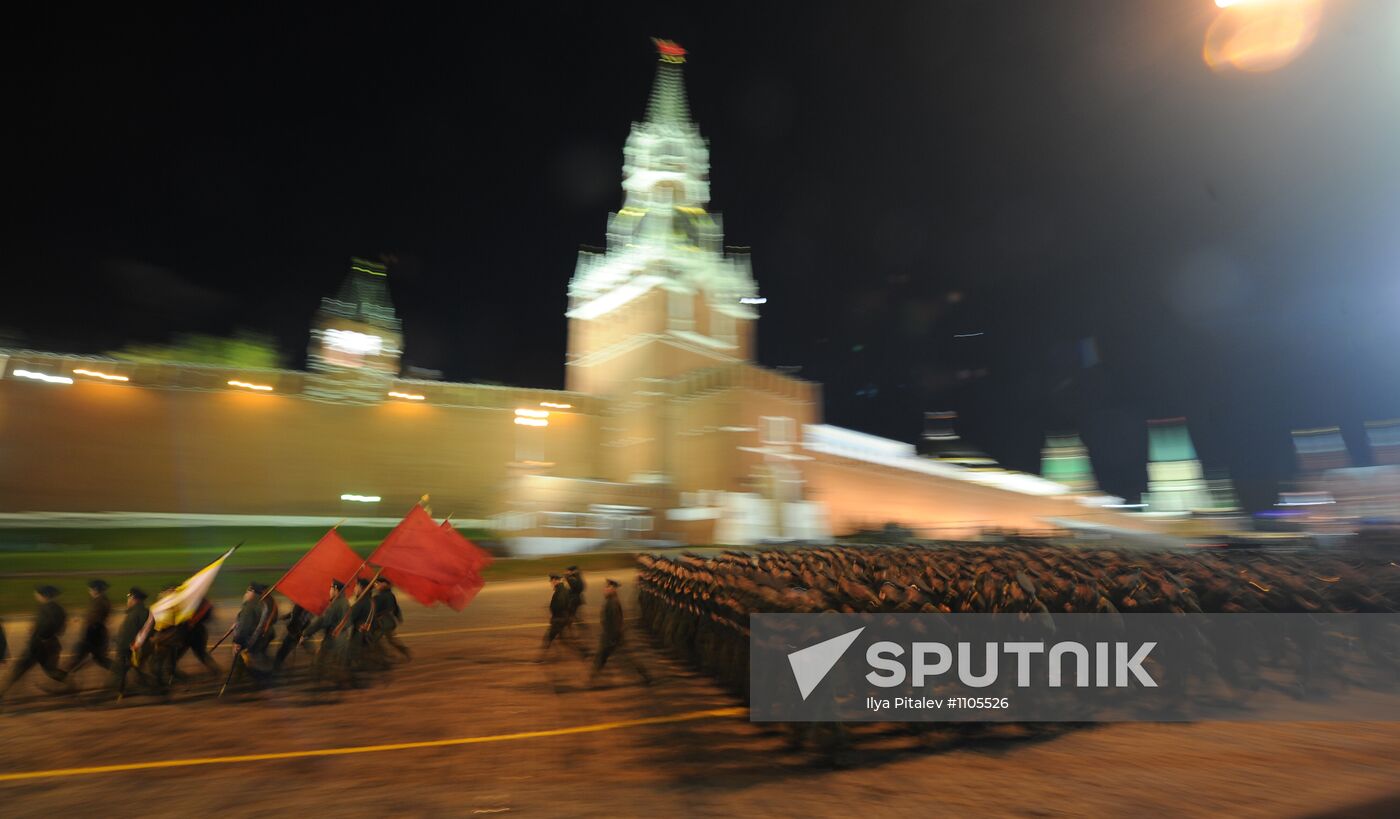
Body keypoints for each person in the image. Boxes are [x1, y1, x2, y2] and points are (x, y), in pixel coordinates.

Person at [0, 585, 68, 698]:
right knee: (50, 671)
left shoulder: (45, 609)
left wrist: (39, 634)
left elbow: (45, 626)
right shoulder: (60, 609)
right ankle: (68, 679)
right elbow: (61, 630)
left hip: (38, 645)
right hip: (51, 645)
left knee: (18, 668)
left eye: (37, 594)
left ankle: (2, 692)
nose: (36, 595)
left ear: (45, 596)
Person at [589, 579, 651, 687]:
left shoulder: (613, 603)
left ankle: (646, 676)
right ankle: (592, 678)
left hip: (613, 637)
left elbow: (616, 622)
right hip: (611, 636)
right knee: (602, 657)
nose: (604, 589)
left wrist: (612, 639)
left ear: (613, 589)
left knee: (624, 657)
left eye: (607, 587)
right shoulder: (611, 600)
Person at [64, 579, 113, 680]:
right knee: (99, 659)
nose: (89, 591)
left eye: (90, 589)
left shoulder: (100, 602)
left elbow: (94, 617)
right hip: (95, 633)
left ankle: (63, 678)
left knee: (79, 655)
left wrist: (84, 620)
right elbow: (93, 615)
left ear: (96, 590)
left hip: (94, 634)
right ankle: (119, 670)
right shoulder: (99, 600)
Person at [110, 587, 150, 698]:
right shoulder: (133, 612)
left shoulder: (141, 612)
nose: (128, 601)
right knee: (129, 668)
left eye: (130, 598)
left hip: (131, 647)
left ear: (136, 599)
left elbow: (144, 631)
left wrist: (134, 644)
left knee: (122, 669)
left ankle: (120, 692)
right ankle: (122, 691)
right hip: (126, 645)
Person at [370, 578, 409, 662]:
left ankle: (388, 657)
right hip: (387, 622)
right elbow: (396, 608)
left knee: (376, 640)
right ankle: (404, 652)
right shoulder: (387, 595)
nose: (376, 585)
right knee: (390, 640)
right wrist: (398, 617)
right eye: (376, 583)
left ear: (385, 584)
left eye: (378, 583)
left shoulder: (383, 596)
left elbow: (376, 609)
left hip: (384, 623)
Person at [275, 603, 312, 670]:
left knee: (285, 647)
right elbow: (296, 614)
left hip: (295, 630)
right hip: (297, 630)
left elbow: (296, 615)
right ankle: (278, 662)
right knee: (287, 647)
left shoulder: (301, 604)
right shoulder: (307, 606)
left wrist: (292, 627)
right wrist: (286, 616)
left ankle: (276, 665)